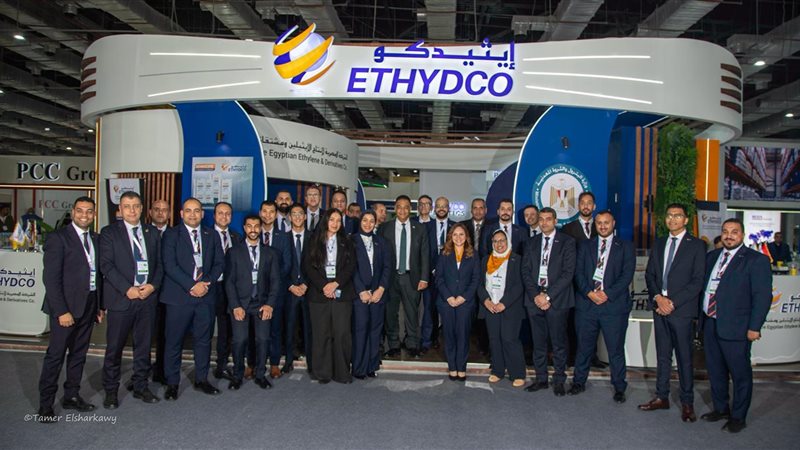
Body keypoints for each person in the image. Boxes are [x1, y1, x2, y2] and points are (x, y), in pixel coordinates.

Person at [700, 218, 772, 433]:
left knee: (740, 374)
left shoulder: (756, 260)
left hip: (737, 326)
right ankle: (721, 408)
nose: (729, 235)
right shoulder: (712, 257)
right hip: (710, 322)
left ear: (742, 235)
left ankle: (738, 417)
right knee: (715, 370)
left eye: (734, 232)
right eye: (725, 231)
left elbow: (762, 297)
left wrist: (755, 327)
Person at [37, 196, 104, 423]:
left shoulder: (95, 238)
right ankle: (45, 405)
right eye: (80, 210)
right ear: (73, 212)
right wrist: (61, 311)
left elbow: (97, 276)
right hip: (65, 309)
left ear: (93, 214)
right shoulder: (58, 238)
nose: (84, 215)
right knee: (55, 356)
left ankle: (71, 396)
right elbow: (51, 279)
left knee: (78, 355)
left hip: (88, 305)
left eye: (89, 211)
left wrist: (99, 305)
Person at [639, 203, 706, 422]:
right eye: (669, 215)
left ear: (686, 220)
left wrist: (672, 302)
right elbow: (650, 275)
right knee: (663, 356)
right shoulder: (659, 243)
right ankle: (662, 397)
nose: (672, 219)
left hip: (681, 310)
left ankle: (687, 403)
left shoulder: (697, 245)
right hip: (660, 308)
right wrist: (658, 298)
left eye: (677, 216)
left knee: (684, 358)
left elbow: (697, 281)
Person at [99, 191, 163, 408]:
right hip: (121, 299)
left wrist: (152, 286)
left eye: (136, 206)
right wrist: (127, 289)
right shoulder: (109, 233)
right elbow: (106, 265)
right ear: (120, 209)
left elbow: (160, 265)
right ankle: (111, 391)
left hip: (147, 299)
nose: (132, 210)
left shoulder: (152, 232)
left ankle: (140, 386)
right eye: (127, 206)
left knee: (143, 347)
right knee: (114, 348)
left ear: (142, 208)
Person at [161, 197, 225, 400]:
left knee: (203, 341)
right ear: (181, 214)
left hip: (205, 297)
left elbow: (219, 263)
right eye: (188, 210)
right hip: (179, 297)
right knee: (174, 341)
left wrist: (205, 283)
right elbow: (169, 265)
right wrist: (191, 285)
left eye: (197, 210)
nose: (192, 214)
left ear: (202, 214)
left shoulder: (211, 235)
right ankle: (172, 383)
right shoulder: (171, 235)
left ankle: (201, 379)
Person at [569, 210, 635, 403]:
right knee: (584, 348)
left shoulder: (626, 247)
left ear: (613, 223)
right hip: (587, 305)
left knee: (615, 350)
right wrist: (590, 293)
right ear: (595, 225)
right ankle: (578, 382)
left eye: (606, 222)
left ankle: (619, 387)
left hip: (613, 307)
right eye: (599, 223)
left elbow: (627, 275)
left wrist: (607, 294)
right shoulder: (585, 245)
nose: (603, 226)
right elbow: (578, 273)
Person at [521, 207, 575, 396]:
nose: (544, 222)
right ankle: (541, 379)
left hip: (557, 300)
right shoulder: (531, 243)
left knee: (558, 343)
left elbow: (568, 273)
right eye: (541, 219)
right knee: (538, 343)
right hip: (534, 300)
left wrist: (548, 296)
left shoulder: (567, 242)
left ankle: (559, 380)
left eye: (548, 219)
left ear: (555, 221)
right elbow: (525, 271)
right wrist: (536, 295)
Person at [224, 215, 280, 390]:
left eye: (256, 226)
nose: (253, 229)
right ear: (244, 228)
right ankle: (237, 375)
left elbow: (275, 281)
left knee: (263, 339)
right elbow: (229, 282)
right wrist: (235, 306)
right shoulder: (233, 252)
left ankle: (260, 375)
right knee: (239, 340)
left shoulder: (270, 253)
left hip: (262, 303)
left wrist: (270, 304)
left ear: (261, 228)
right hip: (240, 303)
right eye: (249, 226)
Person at [302, 209, 356, 384]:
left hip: (341, 293)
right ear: (325, 221)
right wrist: (324, 285)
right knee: (321, 334)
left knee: (342, 334)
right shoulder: (313, 241)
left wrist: (335, 283)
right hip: (319, 294)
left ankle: (342, 373)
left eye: (338, 221)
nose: (335, 223)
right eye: (332, 220)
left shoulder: (347, 242)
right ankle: (322, 373)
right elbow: (308, 267)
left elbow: (351, 266)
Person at [379, 195, 430, 358]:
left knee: (412, 312)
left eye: (406, 207)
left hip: (411, 277)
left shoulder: (420, 229)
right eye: (399, 207)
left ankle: (412, 343)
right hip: (390, 277)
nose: (402, 210)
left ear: (410, 209)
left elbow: (425, 255)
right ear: (395, 208)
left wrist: (424, 278)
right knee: (390, 312)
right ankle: (393, 344)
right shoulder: (385, 228)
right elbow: (380, 255)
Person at [477, 229, 526, 387]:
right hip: (491, 307)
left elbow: (519, 285)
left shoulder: (517, 259)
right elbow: (479, 284)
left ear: (508, 241)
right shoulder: (486, 260)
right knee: (494, 339)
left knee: (509, 339)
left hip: (509, 307)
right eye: (495, 241)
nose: (499, 244)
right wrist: (486, 301)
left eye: (502, 240)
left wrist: (504, 303)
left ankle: (517, 373)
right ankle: (498, 370)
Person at [436, 223, 480, 381]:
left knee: (463, 335)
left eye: (461, 234)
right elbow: (439, 278)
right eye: (455, 234)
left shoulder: (473, 254)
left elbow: (476, 279)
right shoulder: (444, 253)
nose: (458, 237)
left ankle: (461, 367)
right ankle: (452, 367)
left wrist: (463, 297)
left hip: (465, 303)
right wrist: (448, 297)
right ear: (450, 237)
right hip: (446, 302)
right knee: (449, 335)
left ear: (466, 236)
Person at [352, 211, 391, 379]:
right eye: (365, 220)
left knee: (375, 332)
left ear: (375, 223)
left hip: (377, 294)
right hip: (359, 295)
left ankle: (371, 366)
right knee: (360, 331)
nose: (368, 224)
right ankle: (359, 368)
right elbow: (350, 268)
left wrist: (380, 289)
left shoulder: (382, 242)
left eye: (371, 221)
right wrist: (361, 290)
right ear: (360, 222)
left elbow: (388, 267)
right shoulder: (351, 241)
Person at [258, 200, 292, 379]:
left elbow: (286, 264)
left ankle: (274, 364)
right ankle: (254, 363)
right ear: (260, 213)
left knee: (275, 329)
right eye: (265, 211)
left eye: (272, 212)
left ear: (276, 214)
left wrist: (273, 282)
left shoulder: (283, 236)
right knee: (255, 329)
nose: (268, 215)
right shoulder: (253, 233)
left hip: (276, 291)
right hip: (254, 291)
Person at [422, 196, 455, 354]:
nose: (441, 209)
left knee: (449, 309)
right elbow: (423, 252)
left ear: (449, 208)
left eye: (444, 206)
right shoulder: (426, 227)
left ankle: (450, 340)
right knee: (430, 309)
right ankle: (430, 340)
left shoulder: (456, 228)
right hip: (430, 275)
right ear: (434, 209)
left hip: (450, 277)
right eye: (439, 206)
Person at [212, 202, 241, 381]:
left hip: (229, 289)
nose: (224, 216)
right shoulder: (206, 235)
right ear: (214, 215)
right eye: (220, 213)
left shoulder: (236, 237)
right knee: (206, 327)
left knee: (226, 329)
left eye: (227, 213)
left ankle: (221, 365)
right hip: (211, 288)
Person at [284, 203, 312, 374]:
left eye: (300, 213)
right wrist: (291, 285)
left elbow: (317, 264)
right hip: (290, 290)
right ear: (289, 218)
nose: (297, 217)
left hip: (308, 290)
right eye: (294, 214)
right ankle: (288, 360)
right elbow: (279, 265)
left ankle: (311, 361)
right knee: (289, 327)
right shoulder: (282, 238)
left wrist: (306, 284)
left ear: (305, 216)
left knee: (309, 327)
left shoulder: (313, 237)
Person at [148, 199, 170, 384]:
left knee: (165, 334)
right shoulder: (143, 233)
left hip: (169, 294)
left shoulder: (176, 234)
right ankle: (141, 373)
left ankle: (161, 370)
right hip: (147, 292)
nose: (160, 213)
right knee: (144, 336)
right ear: (150, 212)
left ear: (169, 213)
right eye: (157, 209)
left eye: (164, 210)